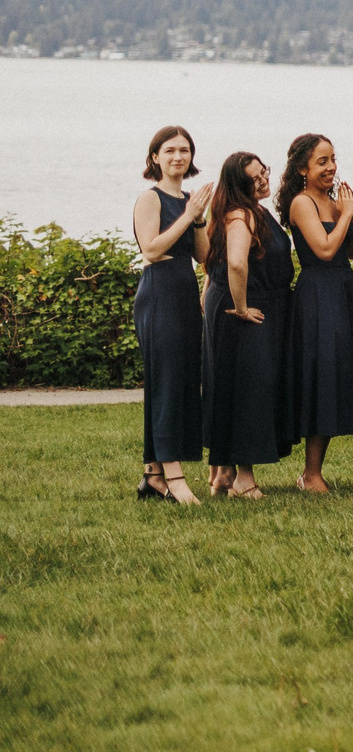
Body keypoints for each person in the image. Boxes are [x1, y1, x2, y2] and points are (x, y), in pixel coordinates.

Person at [202, 152, 293, 498]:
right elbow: (236, 264)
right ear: (239, 186)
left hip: (236, 300)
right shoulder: (241, 214)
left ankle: (222, 474)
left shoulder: (244, 210)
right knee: (249, 388)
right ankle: (243, 479)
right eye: (254, 179)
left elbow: (215, 260)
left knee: (229, 384)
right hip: (246, 305)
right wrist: (241, 308)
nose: (263, 180)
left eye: (263, 172)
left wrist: (208, 291)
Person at [278, 132, 353, 494]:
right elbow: (325, 249)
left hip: (342, 289)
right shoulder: (302, 203)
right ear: (302, 168)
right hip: (316, 293)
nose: (331, 167)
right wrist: (346, 214)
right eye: (322, 161)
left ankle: (316, 471)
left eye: (333, 159)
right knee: (319, 377)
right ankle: (310, 473)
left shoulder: (335, 201)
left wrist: (351, 215)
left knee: (338, 374)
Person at [131, 124, 208, 503]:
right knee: (167, 384)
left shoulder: (190, 200)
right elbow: (150, 249)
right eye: (170, 150)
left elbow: (204, 256)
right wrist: (185, 217)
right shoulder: (151, 198)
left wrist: (198, 217)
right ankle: (175, 477)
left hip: (184, 292)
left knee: (178, 382)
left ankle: (154, 475)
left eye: (185, 150)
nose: (178, 156)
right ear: (155, 157)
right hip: (158, 294)